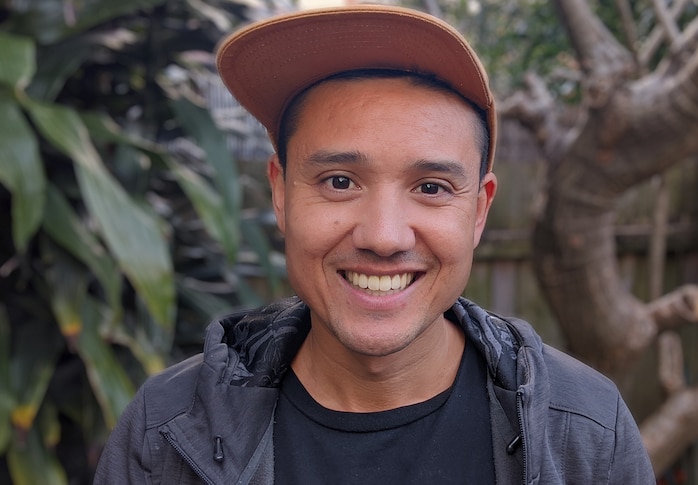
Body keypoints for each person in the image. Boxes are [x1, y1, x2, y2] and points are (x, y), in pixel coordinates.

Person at [94, 5, 655, 484]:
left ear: (479, 210)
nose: (384, 237)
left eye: (431, 187)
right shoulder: (166, 432)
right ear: (281, 194)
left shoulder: (584, 432)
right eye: (340, 181)